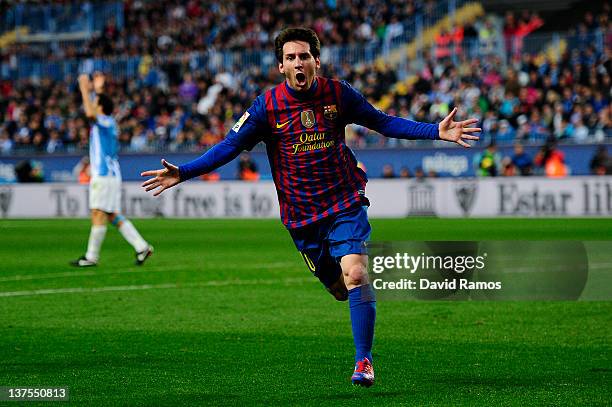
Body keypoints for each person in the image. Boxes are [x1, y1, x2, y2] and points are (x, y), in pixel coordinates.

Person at [141, 28, 480, 387]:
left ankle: (363, 361)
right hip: (302, 218)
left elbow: (382, 122)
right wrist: (185, 172)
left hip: (343, 201)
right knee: (338, 289)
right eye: (291, 57)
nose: (298, 62)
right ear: (280, 66)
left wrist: (434, 131)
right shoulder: (266, 107)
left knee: (356, 275)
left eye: (304, 56)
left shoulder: (338, 93)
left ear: (316, 61)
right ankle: (345, 297)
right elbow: (229, 147)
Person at [71, 72, 153, 267]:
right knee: (111, 214)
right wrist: (97, 89)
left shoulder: (104, 121)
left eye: (95, 101)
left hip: (104, 175)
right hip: (111, 174)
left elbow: (91, 113)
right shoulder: (108, 121)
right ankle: (142, 247)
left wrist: (84, 87)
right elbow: (99, 105)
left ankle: (91, 256)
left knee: (98, 212)